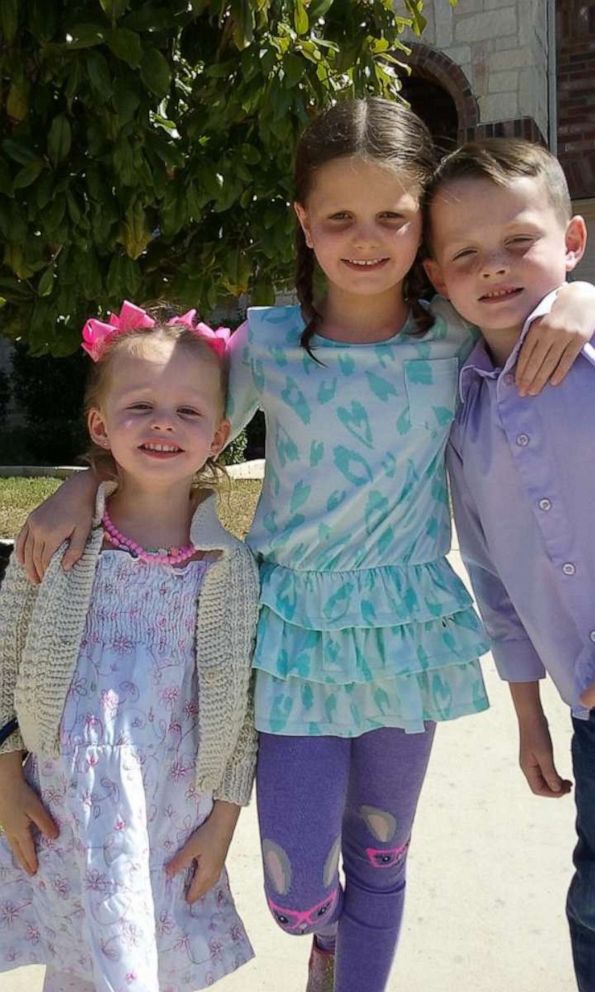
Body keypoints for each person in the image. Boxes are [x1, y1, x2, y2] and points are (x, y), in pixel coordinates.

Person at [14, 100, 595, 992]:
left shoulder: (450, 338)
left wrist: (581, 299)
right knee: (295, 885)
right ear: (303, 224)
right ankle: (322, 936)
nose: (366, 240)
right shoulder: (269, 345)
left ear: (422, 234)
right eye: (339, 219)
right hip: (290, 633)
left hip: (403, 632)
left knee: (384, 856)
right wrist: (86, 480)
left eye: (392, 219)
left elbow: (540, 306)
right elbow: (174, 430)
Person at [0, 303, 260, 992]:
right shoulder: (60, 543)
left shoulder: (227, 568)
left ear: (221, 436)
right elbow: (4, 660)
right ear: (99, 425)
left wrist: (223, 824)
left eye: (187, 410)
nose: (163, 423)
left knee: (145, 967)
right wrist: (3, 778)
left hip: (169, 818)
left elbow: (238, 713)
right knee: (77, 962)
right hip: (60, 807)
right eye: (140, 404)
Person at [423, 137, 595, 991]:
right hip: (586, 710)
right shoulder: (464, 420)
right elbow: (491, 581)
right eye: (464, 255)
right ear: (435, 276)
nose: (492, 268)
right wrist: (526, 715)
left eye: (518, 243)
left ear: (570, 240)